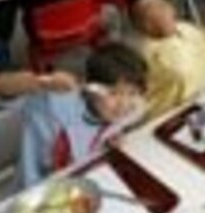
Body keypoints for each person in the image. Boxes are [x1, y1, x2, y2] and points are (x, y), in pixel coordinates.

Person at [18, 42, 147, 187]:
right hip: (47, 187)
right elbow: (29, 175)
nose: (123, 104)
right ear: (90, 88)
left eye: (132, 93)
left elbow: (137, 110)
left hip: (90, 177)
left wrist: (114, 135)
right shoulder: (50, 116)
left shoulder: (129, 108)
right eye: (113, 93)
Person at [127, 0, 205, 119]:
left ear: (171, 7)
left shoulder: (186, 28)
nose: (158, 13)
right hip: (173, 118)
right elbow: (180, 70)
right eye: (148, 13)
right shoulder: (148, 56)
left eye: (161, 6)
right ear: (140, 27)